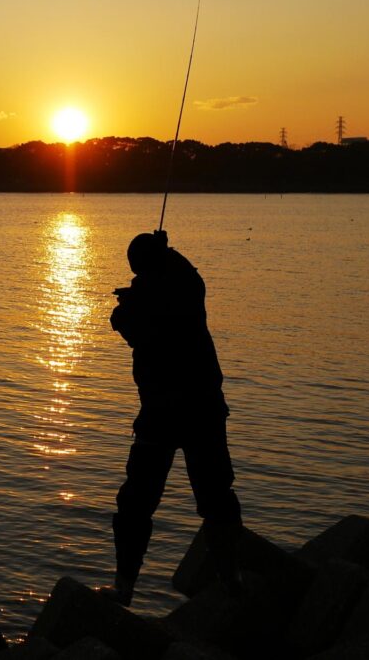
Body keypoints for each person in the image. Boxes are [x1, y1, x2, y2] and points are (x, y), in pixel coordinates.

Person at [100, 230, 242, 606]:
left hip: (162, 417)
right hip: (202, 412)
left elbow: (124, 320)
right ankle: (232, 581)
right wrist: (168, 255)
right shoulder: (188, 291)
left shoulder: (140, 307)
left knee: (136, 505)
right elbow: (187, 278)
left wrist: (141, 288)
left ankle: (124, 587)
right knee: (217, 499)